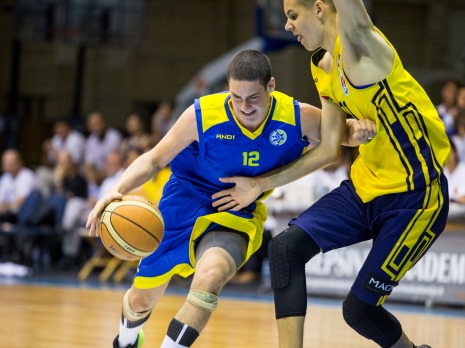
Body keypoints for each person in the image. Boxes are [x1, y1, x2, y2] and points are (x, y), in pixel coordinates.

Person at [86, 50, 374, 348]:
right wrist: (115, 189)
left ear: (271, 86)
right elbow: (154, 160)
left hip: (237, 211)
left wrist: (359, 129)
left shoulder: (295, 115)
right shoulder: (202, 115)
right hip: (183, 204)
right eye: (236, 97)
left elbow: (341, 134)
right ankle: (127, 339)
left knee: (209, 280)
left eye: (253, 97)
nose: (244, 106)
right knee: (141, 299)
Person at [211, 2, 450, 348]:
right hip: (366, 187)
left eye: (293, 15)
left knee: (359, 311)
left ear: (321, 8)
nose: (289, 26)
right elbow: (328, 150)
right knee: (284, 249)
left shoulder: (362, 45)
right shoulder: (322, 66)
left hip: (417, 198)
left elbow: (353, 15)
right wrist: (259, 185)